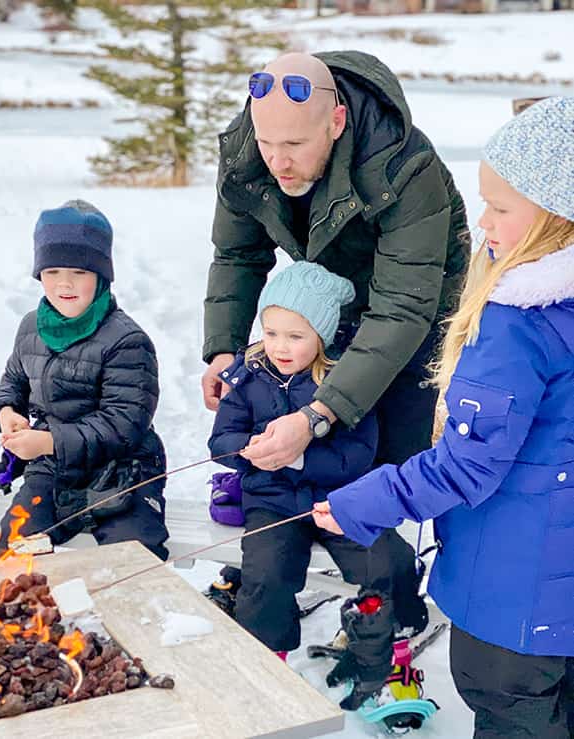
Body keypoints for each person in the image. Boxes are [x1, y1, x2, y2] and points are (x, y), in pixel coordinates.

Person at [313, 97, 574, 735]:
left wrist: (360, 503)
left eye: (502, 208)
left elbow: (467, 469)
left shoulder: (520, 323)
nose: (482, 220)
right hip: (559, 597)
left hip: (512, 599)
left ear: (555, 217)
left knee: (515, 717)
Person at [202, 50, 471, 633]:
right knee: (290, 383)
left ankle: (383, 583)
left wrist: (320, 416)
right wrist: (224, 349)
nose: (277, 161)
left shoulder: (404, 167)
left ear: (336, 121)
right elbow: (238, 252)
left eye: (294, 146)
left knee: (383, 433)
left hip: (416, 297)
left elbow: (403, 310)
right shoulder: (250, 151)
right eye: (268, 143)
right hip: (323, 288)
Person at [0, 200, 169, 561]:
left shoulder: (127, 340)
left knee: (131, 559)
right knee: (15, 545)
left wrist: (48, 441)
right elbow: (12, 383)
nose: (64, 283)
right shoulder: (32, 327)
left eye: (79, 271)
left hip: (123, 470)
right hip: (53, 469)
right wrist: (7, 412)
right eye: (53, 270)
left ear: (101, 275)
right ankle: (44, 614)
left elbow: (124, 425)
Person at [209, 261, 382, 661]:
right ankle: (270, 661)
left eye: (295, 336)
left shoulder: (344, 381)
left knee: (383, 565)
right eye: (271, 333)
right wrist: (249, 448)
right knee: (266, 576)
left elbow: (358, 455)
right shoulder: (249, 375)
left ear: (321, 335)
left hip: (337, 500)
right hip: (270, 501)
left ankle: (379, 648)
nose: (280, 346)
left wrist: (302, 460)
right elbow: (220, 440)